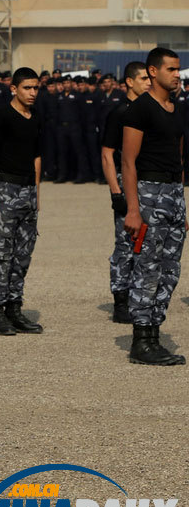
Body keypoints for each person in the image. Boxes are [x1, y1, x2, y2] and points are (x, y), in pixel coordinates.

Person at [121, 47, 186, 366]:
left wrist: (182, 204)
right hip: (149, 192)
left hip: (173, 193)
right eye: (171, 69)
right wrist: (133, 209)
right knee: (147, 267)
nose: (177, 74)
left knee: (170, 270)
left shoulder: (177, 108)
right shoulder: (140, 109)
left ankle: (155, 334)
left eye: (178, 69)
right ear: (153, 72)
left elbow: (179, 156)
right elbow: (128, 162)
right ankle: (141, 339)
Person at [0, 67, 43, 335]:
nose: (32, 93)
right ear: (14, 88)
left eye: (36, 88)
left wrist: (36, 194)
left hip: (28, 191)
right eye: (27, 88)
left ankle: (14, 308)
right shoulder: (0, 116)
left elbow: (37, 157)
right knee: (1, 254)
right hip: (6, 189)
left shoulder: (35, 118)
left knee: (22, 255)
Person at [100, 61, 150, 324]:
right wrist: (116, 192)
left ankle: (138, 296)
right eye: (143, 79)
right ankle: (120, 299)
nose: (148, 83)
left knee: (146, 242)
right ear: (129, 82)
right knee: (125, 243)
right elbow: (107, 154)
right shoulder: (119, 112)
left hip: (147, 182)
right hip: (124, 180)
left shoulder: (149, 110)